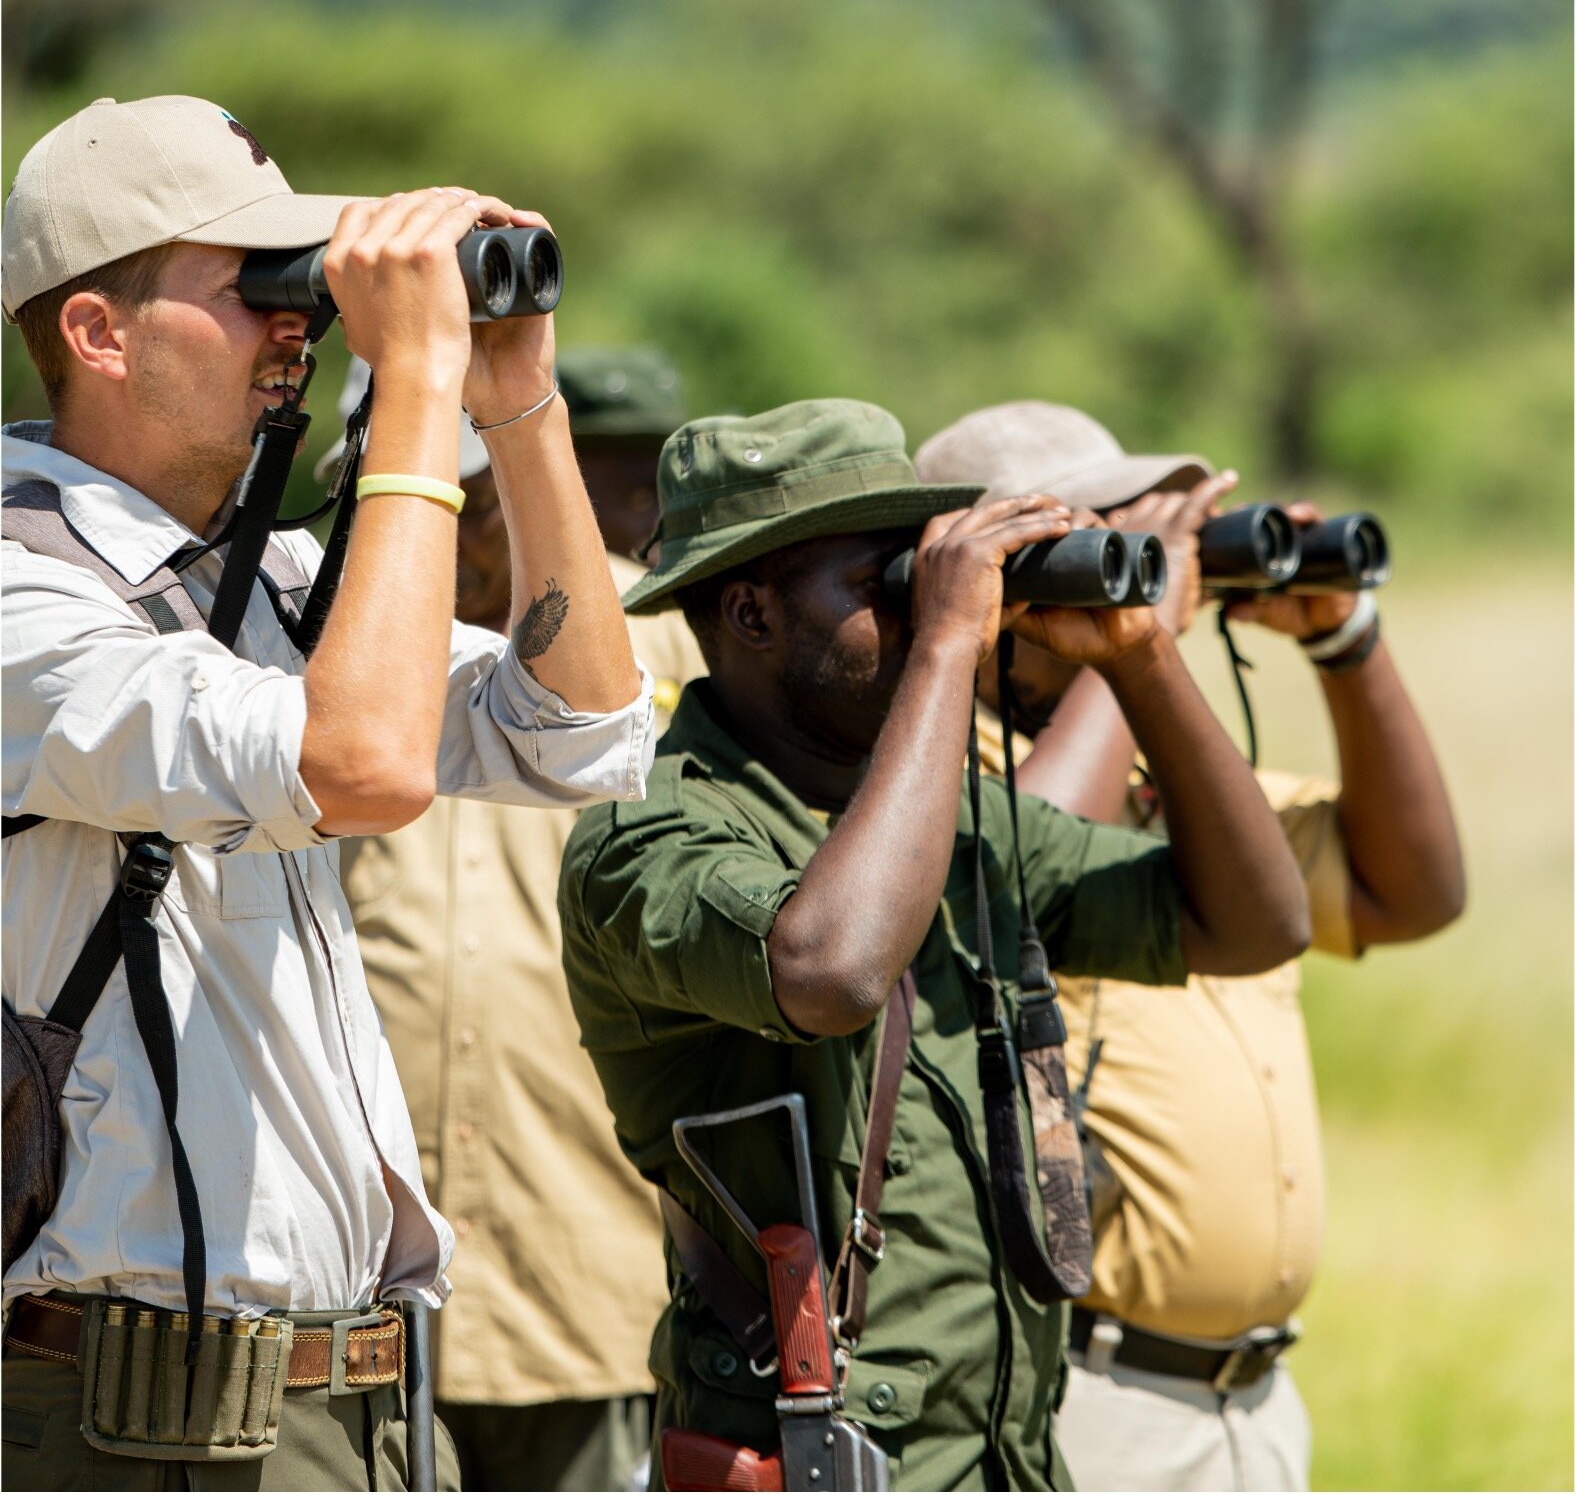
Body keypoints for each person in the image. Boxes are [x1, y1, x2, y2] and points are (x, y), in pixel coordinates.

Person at [1, 94, 653, 1489]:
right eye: (252, 289)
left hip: (350, 1401)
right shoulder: (21, 593)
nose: (300, 323)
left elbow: (582, 729)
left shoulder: (263, 582)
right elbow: (358, 767)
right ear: (98, 334)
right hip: (120, 1418)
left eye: (303, 282)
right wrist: (413, 389)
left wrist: (515, 399)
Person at [556, 397, 1313, 1491]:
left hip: (1001, 1452)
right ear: (753, 615)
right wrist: (954, 639)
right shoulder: (648, 837)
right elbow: (835, 968)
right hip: (820, 1455)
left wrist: (1140, 657)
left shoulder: (955, 821)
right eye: (881, 591)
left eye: (921, 577)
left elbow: (1251, 924)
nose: (920, 613)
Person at [915, 401, 1466, 1492]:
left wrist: (1342, 639)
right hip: (1084, 1387)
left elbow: (1406, 893)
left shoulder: (1171, 782)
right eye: (1099, 539)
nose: (1135, 568)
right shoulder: (939, 783)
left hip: (1250, 1403)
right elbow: (1024, 873)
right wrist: (1141, 643)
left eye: (1147, 538)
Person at [333, 346, 705, 1491]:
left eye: (464, 500)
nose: (442, 531)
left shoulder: (652, 646)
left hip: (582, 1275)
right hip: (351, 1298)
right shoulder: (314, 644)